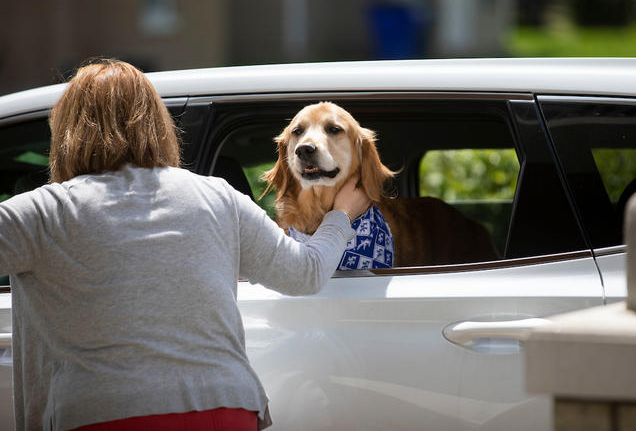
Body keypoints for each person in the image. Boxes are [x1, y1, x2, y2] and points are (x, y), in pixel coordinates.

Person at [0, 59, 370, 431]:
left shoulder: (42, 212)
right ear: (158, 124)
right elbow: (306, 274)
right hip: (227, 408)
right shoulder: (218, 196)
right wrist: (341, 215)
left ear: (66, 130)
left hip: (106, 413)